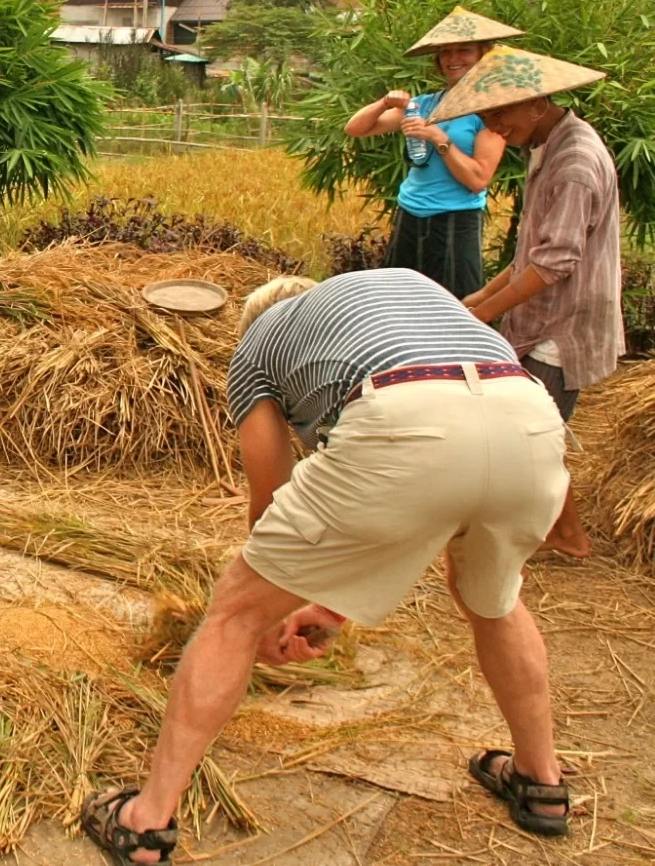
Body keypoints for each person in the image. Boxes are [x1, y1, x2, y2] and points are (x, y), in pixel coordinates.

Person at [81, 269, 575, 863]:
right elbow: (411, 497)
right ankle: (540, 781)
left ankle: (146, 819)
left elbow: (272, 499)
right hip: (531, 421)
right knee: (493, 601)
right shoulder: (403, 290)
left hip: (401, 411)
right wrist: (332, 605)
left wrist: (268, 611)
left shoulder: (259, 341)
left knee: (233, 616)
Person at [433, 46, 622, 560]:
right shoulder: (548, 144)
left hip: (564, 324)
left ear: (537, 103)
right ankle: (539, 527)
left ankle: (567, 536)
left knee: (537, 436)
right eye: (487, 115)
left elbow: (554, 263)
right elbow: (531, 254)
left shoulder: (576, 162)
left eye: (500, 113)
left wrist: (484, 316)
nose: (494, 125)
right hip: (545, 314)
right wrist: (477, 298)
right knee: (528, 430)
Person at [343, 7, 518, 299]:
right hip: (410, 214)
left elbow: (477, 180)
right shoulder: (423, 104)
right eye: (446, 52)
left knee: (456, 304)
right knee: (401, 302)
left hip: (454, 221)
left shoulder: (490, 112)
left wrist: (439, 139)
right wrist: (385, 102)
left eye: (464, 51)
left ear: (482, 56)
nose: (454, 59)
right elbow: (356, 128)